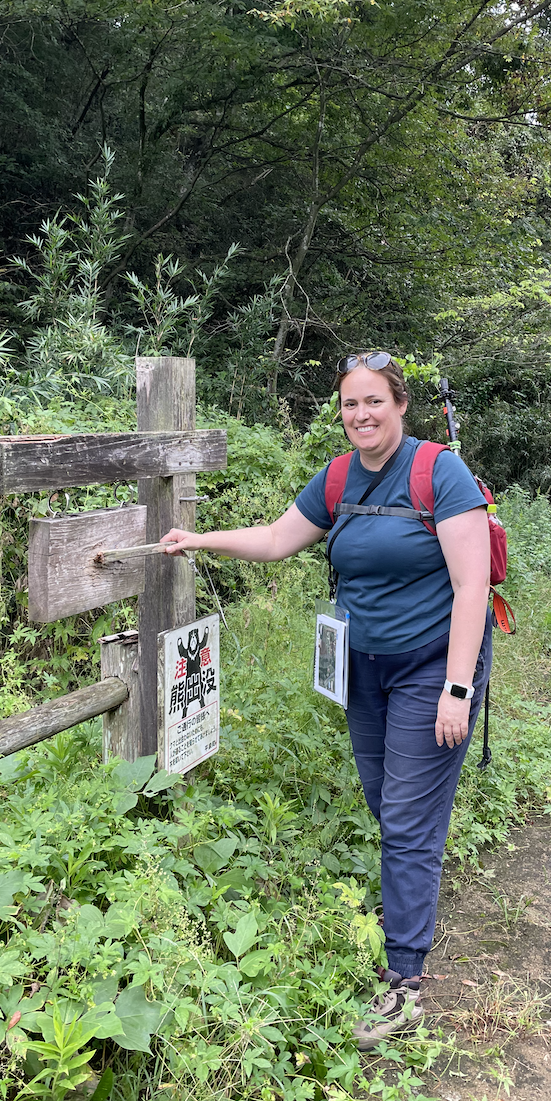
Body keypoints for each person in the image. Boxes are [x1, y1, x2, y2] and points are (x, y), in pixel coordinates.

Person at [161, 352, 492, 1049]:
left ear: (400, 405)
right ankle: (412, 884)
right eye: (350, 404)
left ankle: (405, 981)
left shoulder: (439, 472)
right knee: (386, 800)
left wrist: (458, 689)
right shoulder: (339, 477)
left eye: (374, 402)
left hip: (433, 665)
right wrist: (198, 540)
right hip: (362, 670)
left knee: (404, 817)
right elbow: (276, 539)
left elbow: (471, 587)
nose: (361, 415)